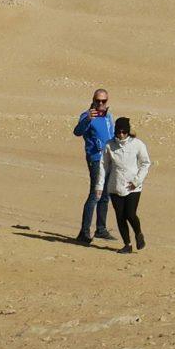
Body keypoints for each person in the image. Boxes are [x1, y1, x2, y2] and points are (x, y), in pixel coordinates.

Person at [73, 88, 116, 244]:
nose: (100, 103)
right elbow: (77, 132)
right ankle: (84, 232)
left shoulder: (108, 117)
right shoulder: (87, 115)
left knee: (106, 195)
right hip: (96, 159)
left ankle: (101, 229)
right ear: (93, 100)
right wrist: (87, 120)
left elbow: (111, 135)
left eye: (103, 101)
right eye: (98, 100)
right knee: (95, 194)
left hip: (109, 158)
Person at [102, 117, 151, 253]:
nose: (121, 135)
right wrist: (100, 186)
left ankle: (138, 234)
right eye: (119, 132)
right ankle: (127, 244)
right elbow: (104, 166)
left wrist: (137, 180)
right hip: (115, 185)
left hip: (133, 186)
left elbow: (145, 163)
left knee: (130, 214)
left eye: (124, 132)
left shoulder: (138, 144)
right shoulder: (109, 145)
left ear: (128, 132)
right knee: (120, 216)